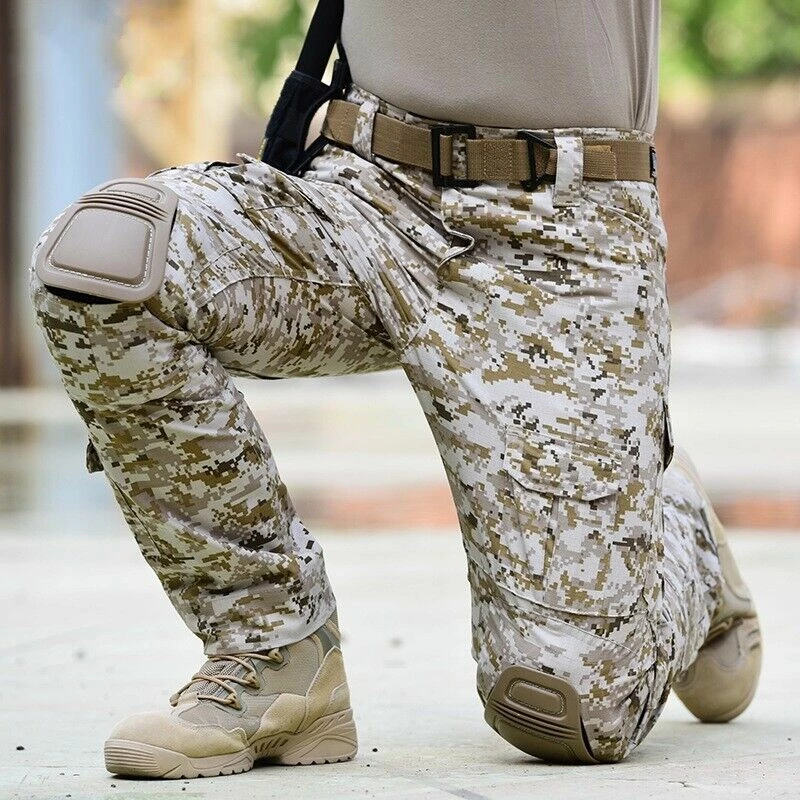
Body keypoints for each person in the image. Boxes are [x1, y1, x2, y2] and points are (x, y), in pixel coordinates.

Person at [29, 0, 761, 778]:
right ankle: (273, 649)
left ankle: (679, 529)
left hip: (565, 233)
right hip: (364, 192)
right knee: (106, 261)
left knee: (568, 707)